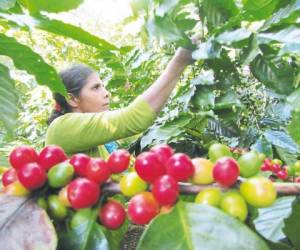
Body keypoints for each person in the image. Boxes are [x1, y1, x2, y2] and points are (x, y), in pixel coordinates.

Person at [45, 47, 194, 159]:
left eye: (103, 86)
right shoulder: (62, 127)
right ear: (72, 99)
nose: (106, 93)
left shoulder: (95, 138)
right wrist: (179, 63)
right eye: (96, 87)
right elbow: (132, 119)